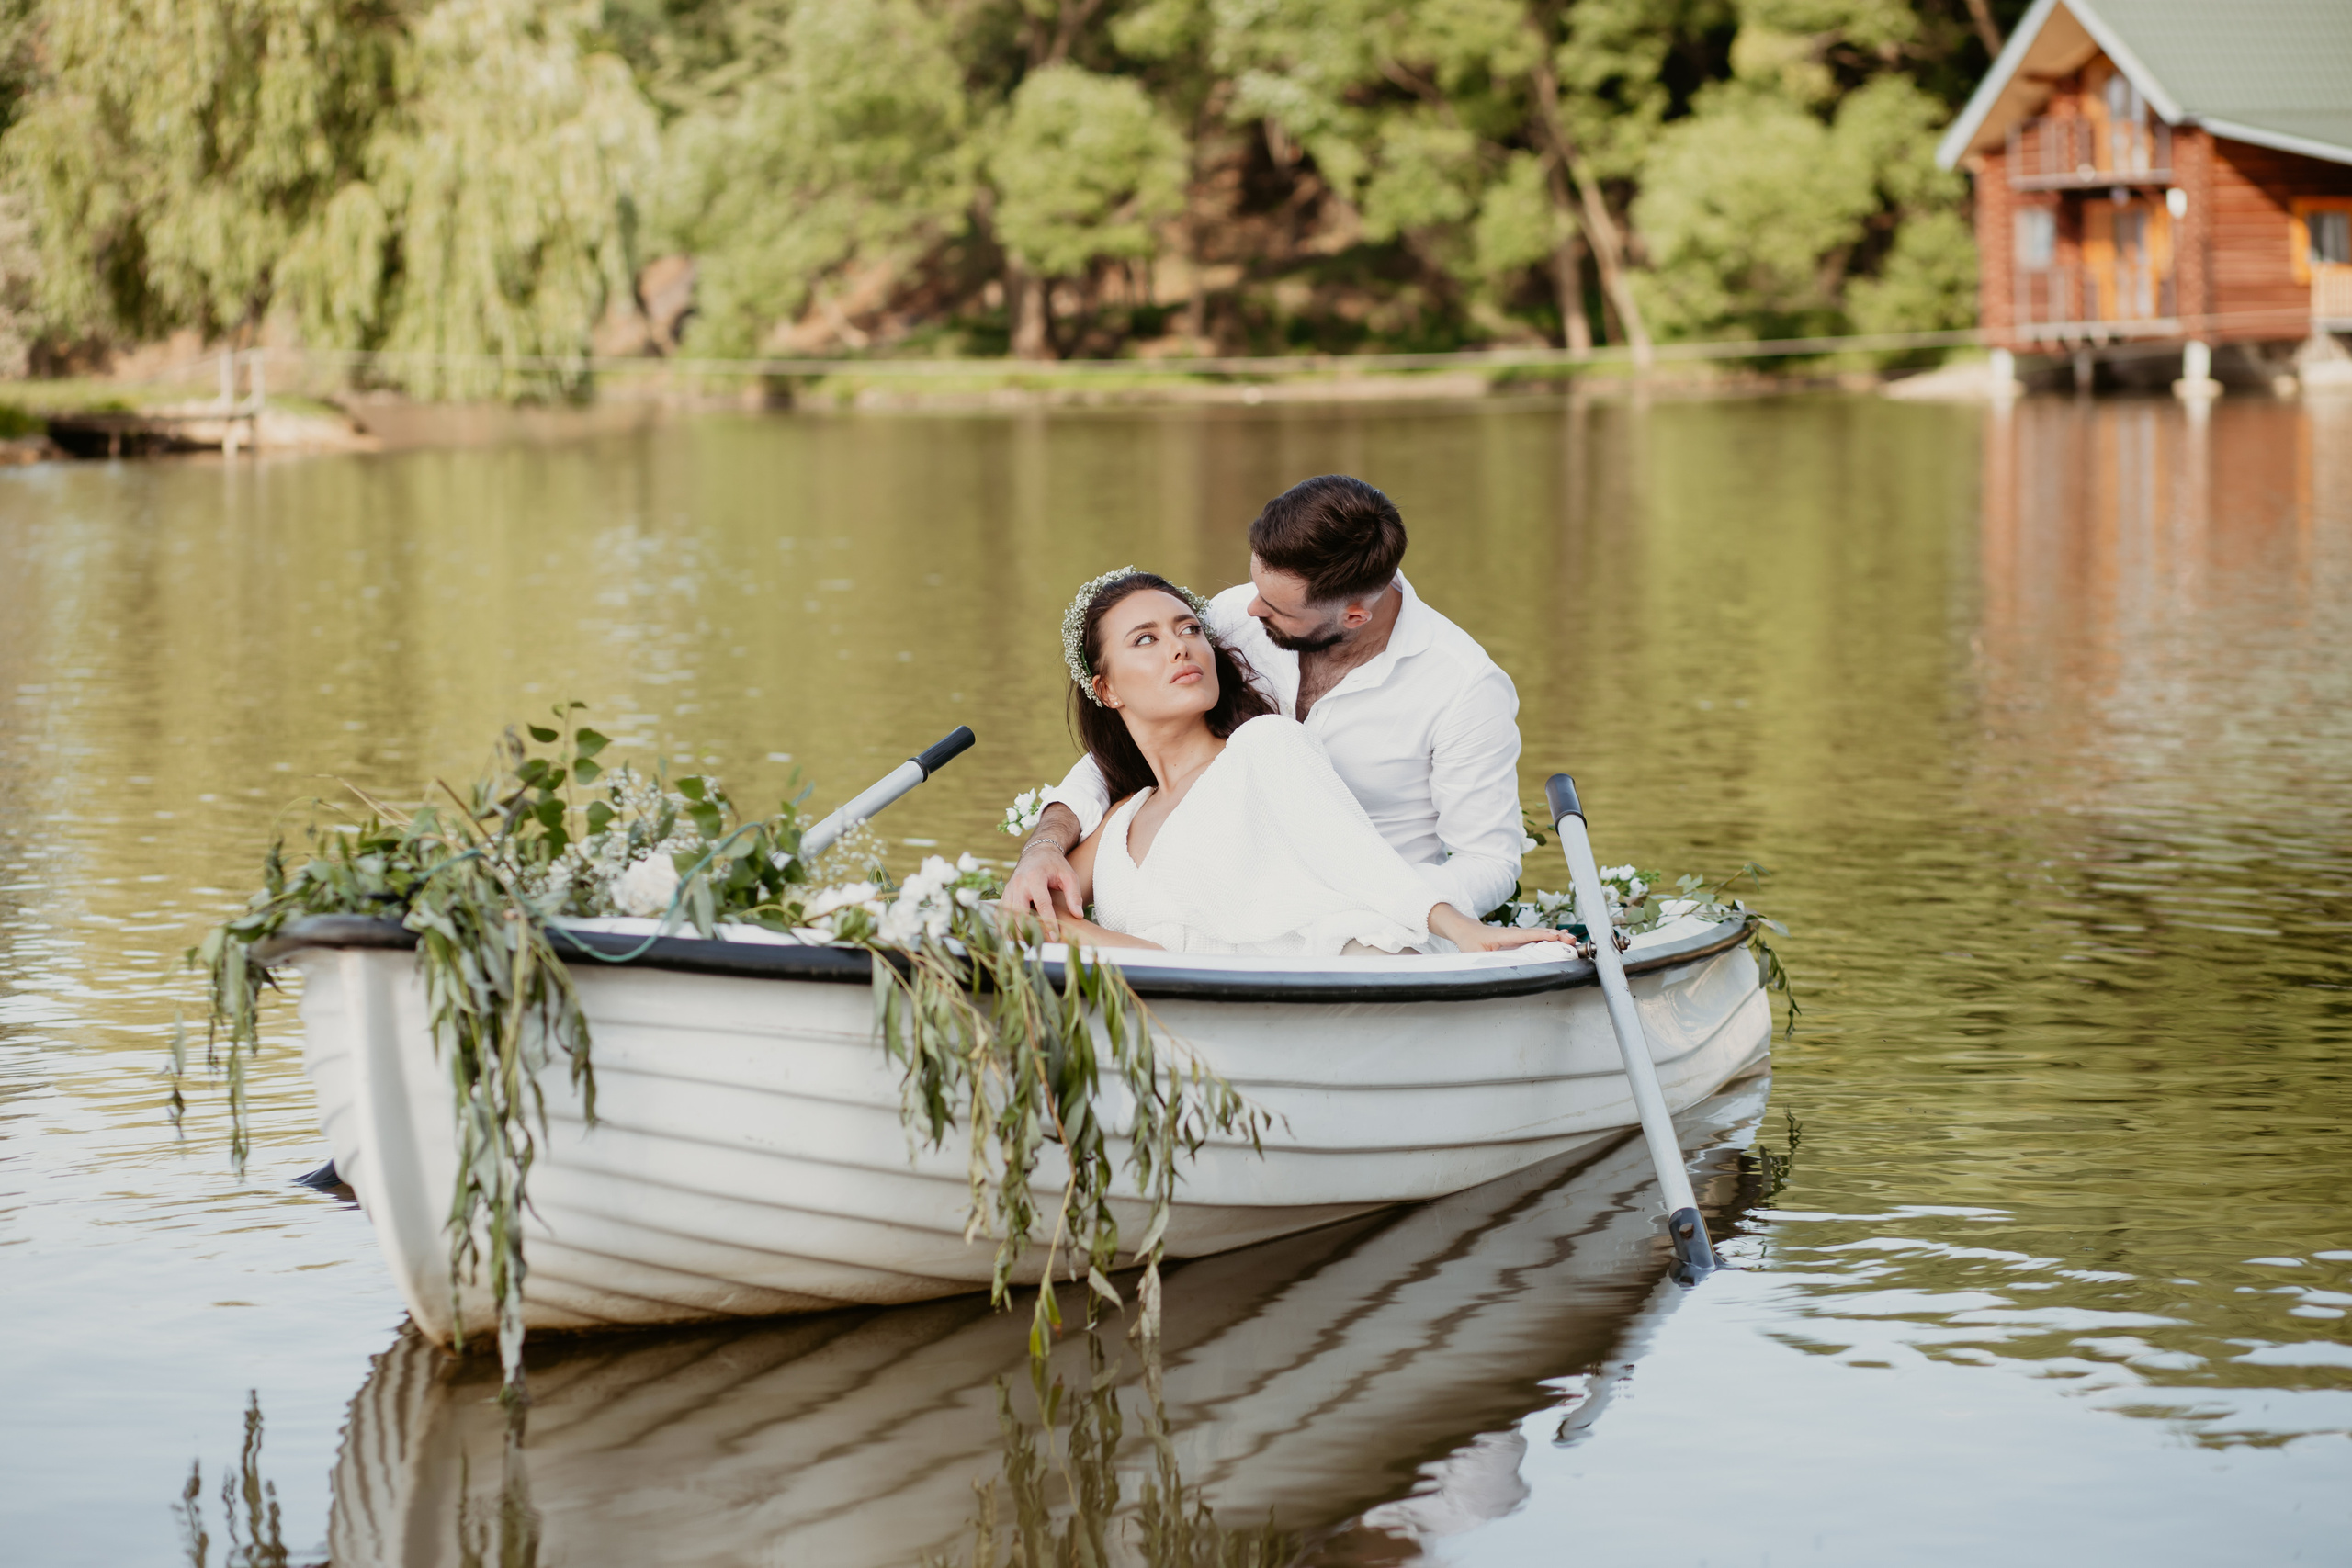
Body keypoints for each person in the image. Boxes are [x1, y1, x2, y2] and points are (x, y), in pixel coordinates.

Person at [1005, 474, 1527, 939]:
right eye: (1255, 585)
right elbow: (1137, 729)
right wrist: (1045, 844)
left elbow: (1489, 862)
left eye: (1275, 606)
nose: (1250, 610)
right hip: (1219, 905)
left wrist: (1364, 905)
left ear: (1354, 617)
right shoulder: (1237, 615)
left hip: (1363, 939)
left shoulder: (1463, 686)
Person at [1029, 568, 1573, 957]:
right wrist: (1042, 850)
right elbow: (1024, 915)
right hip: (1176, 1037)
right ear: (1105, 689)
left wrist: (1457, 927)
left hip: (1324, 1006)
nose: (1180, 647)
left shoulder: (1266, 747)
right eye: (1145, 639)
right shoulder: (1127, 815)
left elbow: (1354, 857)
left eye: (1190, 628)